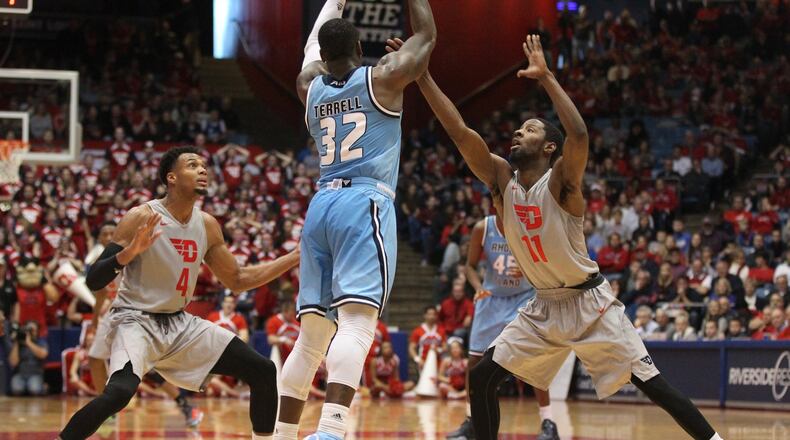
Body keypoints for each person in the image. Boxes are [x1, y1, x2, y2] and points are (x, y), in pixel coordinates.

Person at [393, 34, 723, 440]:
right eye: (517, 129)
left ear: (549, 147)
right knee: (482, 377)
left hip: (590, 302)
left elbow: (579, 135)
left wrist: (547, 77)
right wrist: (423, 77)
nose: (517, 132)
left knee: (653, 384)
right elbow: (459, 131)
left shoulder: (562, 183)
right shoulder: (500, 180)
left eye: (528, 130)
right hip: (543, 306)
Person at [58, 146, 301, 440]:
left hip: (179, 323)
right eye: (192, 165)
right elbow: (95, 280)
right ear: (171, 178)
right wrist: (128, 253)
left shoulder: (208, 225)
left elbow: (237, 280)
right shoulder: (141, 216)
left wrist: (295, 256)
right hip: (136, 320)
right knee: (119, 394)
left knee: (262, 370)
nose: (202, 170)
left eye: (203, 165)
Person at [275, 0, 436, 439]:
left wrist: (335, 0)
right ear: (361, 45)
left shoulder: (310, 86)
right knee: (357, 325)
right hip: (364, 202)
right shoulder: (381, 77)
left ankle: (284, 433)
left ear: (323, 57)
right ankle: (330, 430)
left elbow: (311, 43)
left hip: (320, 205)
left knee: (311, 336)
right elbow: (426, 37)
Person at [446, 214, 558, 440]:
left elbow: (545, 261)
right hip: (491, 297)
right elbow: (469, 267)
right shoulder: (483, 227)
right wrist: (477, 287)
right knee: (475, 360)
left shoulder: (529, 225)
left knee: (534, 358)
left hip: (523, 298)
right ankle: (471, 421)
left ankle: (548, 422)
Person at [9, 321, 48, 396]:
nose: (30, 332)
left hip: (35, 374)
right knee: (16, 390)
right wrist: (16, 342)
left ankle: (43, 387)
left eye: (32, 330)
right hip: (20, 374)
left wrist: (29, 343)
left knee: (34, 390)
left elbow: (43, 355)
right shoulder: (19, 344)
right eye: (28, 330)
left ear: (37, 332)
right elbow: (13, 362)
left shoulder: (40, 342)